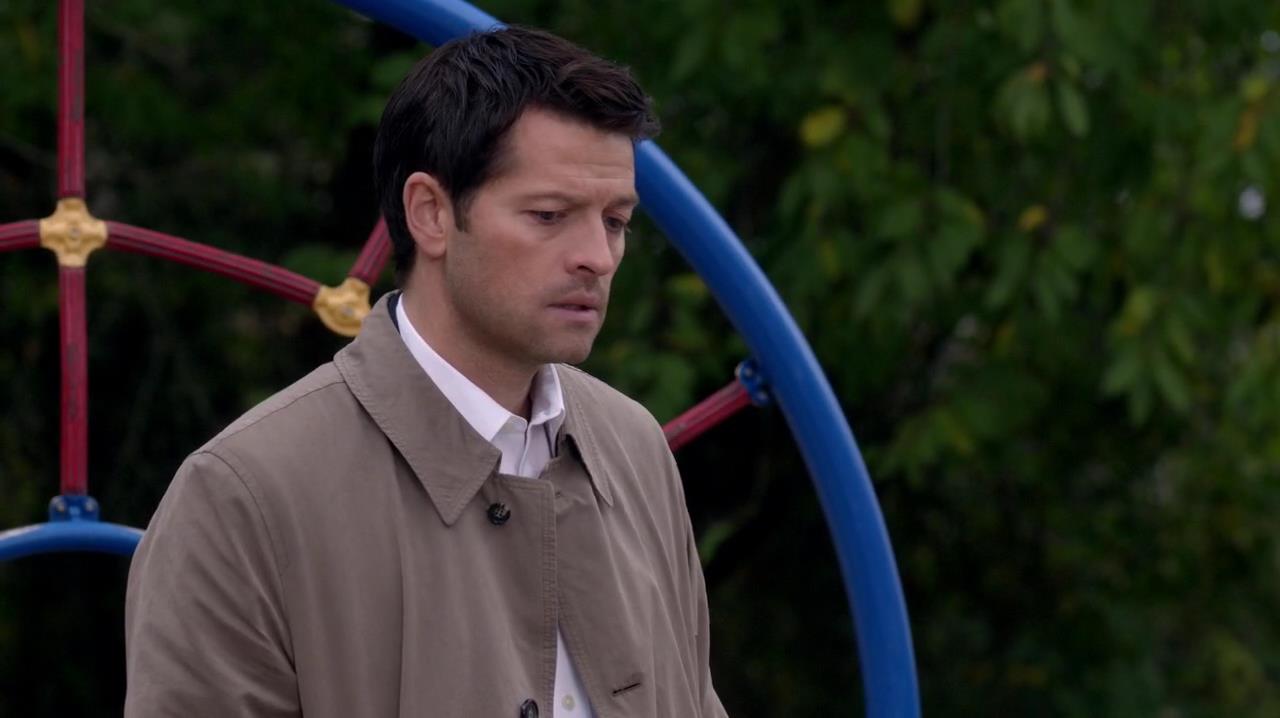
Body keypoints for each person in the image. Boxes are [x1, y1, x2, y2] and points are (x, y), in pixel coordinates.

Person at [124, 25, 728, 718]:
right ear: (431, 214)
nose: (597, 255)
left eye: (616, 221)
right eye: (549, 215)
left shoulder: (635, 448)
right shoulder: (243, 497)